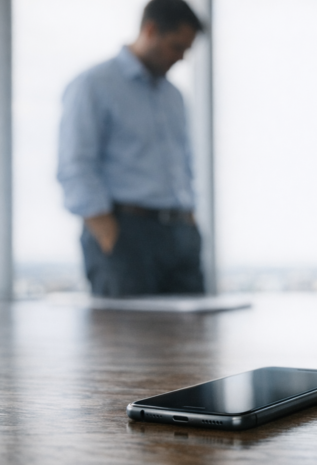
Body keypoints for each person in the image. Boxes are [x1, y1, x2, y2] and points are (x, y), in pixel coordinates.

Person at [57, 0, 204, 297]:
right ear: (151, 30)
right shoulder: (94, 85)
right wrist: (109, 234)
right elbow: (76, 165)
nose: (182, 57)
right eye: (177, 46)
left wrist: (189, 221)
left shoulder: (174, 96)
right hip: (126, 233)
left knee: (191, 338)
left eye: (187, 49)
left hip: (180, 235)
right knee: (129, 339)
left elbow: (184, 166)